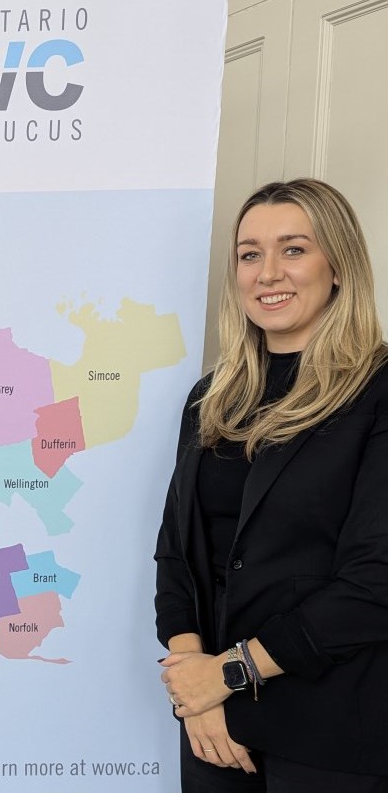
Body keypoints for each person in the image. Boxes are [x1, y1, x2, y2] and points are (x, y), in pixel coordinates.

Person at [155, 178, 388, 792]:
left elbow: (375, 582)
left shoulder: (379, 392)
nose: (267, 273)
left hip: (333, 732)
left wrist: (227, 673)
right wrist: (196, 691)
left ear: (337, 265)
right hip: (217, 730)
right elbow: (177, 556)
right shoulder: (211, 399)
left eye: (293, 249)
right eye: (249, 253)